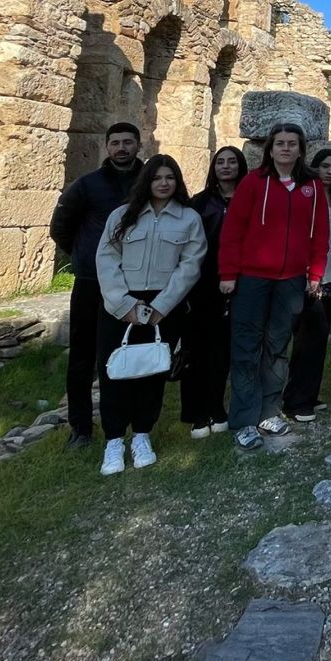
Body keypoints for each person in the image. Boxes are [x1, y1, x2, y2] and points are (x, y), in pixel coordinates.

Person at [216, 122, 330, 451]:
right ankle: (244, 419)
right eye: (279, 143)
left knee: (278, 347)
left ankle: (268, 410)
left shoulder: (312, 186)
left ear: (300, 148)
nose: (285, 148)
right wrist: (228, 273)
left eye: (292, 143)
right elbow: (233, 231)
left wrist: (315, 274)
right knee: (246, 347)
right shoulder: (254, 183)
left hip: (292, 280)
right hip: (253, 278)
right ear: (270, 148)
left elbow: (320, 234)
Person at [94, 155, 206, 475]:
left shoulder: (188, 219)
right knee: (116, 370)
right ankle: (114, 439)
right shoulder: (122, 215)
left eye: (170, 177)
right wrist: (123, 304)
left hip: (162, 306)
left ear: (178, 181)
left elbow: (190, 265)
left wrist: (162, 306)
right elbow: (106, 259)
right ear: (146, 181)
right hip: (122, 305)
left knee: (152, 372)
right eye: (157, 178)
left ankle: (142, 434)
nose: (163, 183)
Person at [49, 121, 145, 448]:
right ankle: (80, 426)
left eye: (127, 142)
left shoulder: (149, 182)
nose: (121, 148)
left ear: (138, 145)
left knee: (128, 351)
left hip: (135, 281)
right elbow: (61, 227)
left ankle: (124, 421)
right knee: (83, 354)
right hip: (92, 282)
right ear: (107, 147)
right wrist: (84, 256)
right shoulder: (87, 185)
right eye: (115, 142)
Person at [183, 146, 244, 438]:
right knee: (200, 348)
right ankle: (197, 412)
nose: (226, 166)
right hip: (204, 282)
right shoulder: (200, 202)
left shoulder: (251, 199)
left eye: (232, 161)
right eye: (220, 162)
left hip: (241, 280)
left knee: (225, 350)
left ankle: (217, 406)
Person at [283, 147, 331, 422]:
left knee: (319, 338)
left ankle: (309, 394)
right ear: (315, 167)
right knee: (306, 338)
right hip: (308, 275)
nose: (330, 172)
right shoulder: (303, 195)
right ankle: (295, 400)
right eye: (325, 166)